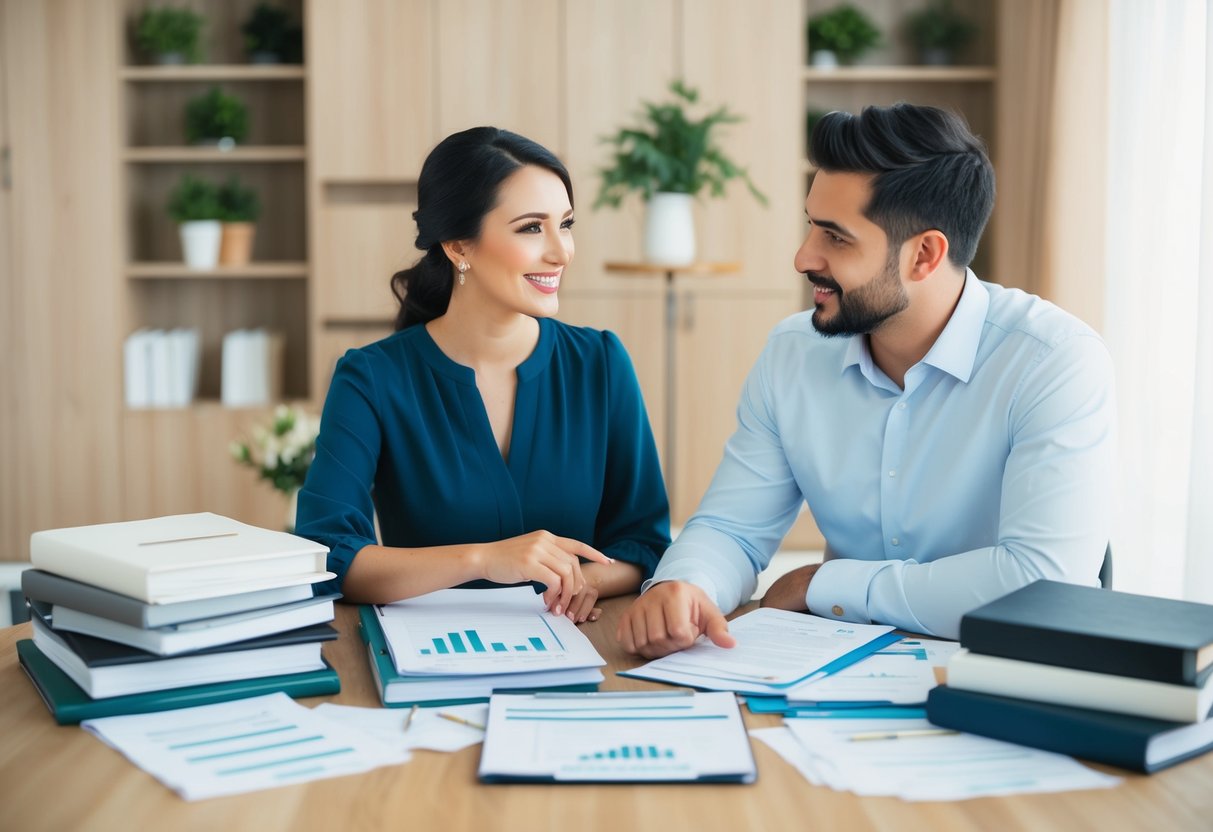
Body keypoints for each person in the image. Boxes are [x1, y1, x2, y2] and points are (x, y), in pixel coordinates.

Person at [617, 103, 1115, 655]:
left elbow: (1043, 584)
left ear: (924, 254)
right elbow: (732, 528)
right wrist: (684, 585)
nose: (803, 257)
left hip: (999, 676)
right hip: (832, 669)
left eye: (836, 237)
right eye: (811, 226)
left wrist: (827, 585)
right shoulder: (793, 354)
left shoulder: (1053, 361)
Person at [297, 127, 669, 623]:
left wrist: (581, 581)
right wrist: (485, 559)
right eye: (532, 228)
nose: (561, 252)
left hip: (576, 640)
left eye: (567, 223)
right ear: (458, 246)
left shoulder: (600, 362)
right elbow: (328, 554)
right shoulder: (370, 378)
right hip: (431, 657)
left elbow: (644, 542)